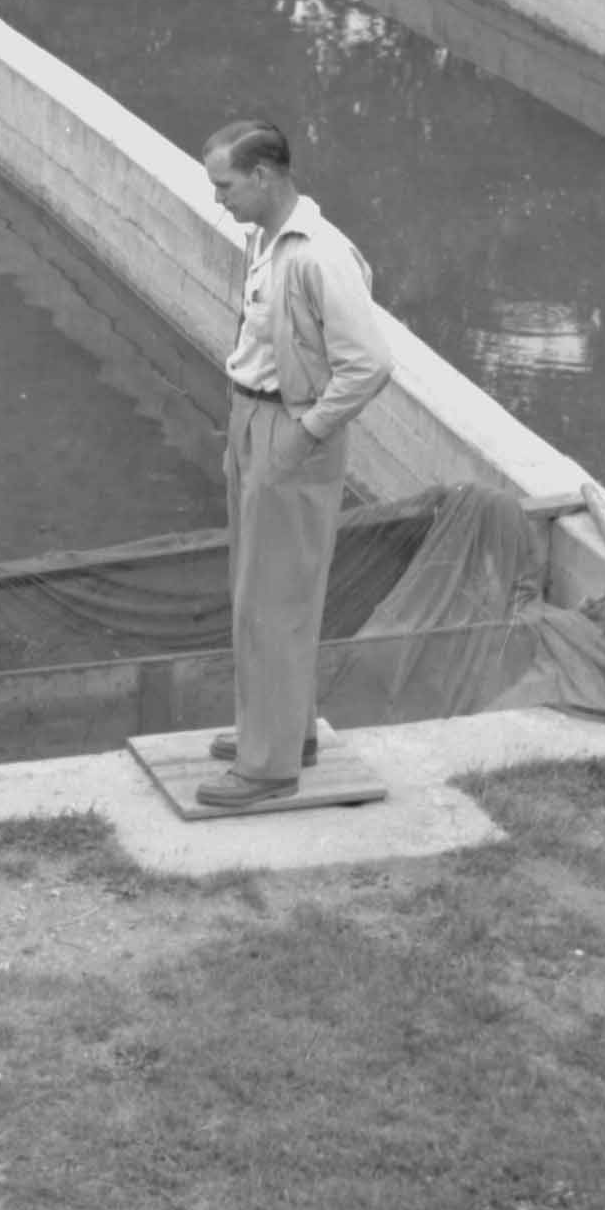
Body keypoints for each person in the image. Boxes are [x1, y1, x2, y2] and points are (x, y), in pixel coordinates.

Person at [198, 119, 391, 809]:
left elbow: (368, 365)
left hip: (288, 426)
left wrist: (303, 433)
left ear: (264, 176)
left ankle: (268, 768)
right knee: (257, 588)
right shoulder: (266, 240)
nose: (217, 197)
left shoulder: (317, 255)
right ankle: (281, 731)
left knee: (273, 599)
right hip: (255, 414)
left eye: (225, 184)